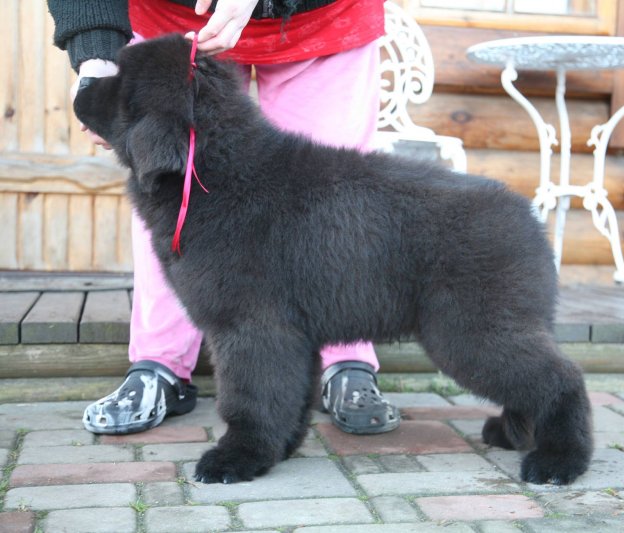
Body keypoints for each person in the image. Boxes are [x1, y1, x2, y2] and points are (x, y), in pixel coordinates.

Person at [47, 0, 400, 436]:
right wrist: (95, 55)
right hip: (173, 25)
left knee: (332, 193)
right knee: (167, 185)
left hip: (321, 19)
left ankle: (344, 357)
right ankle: (159, 363)